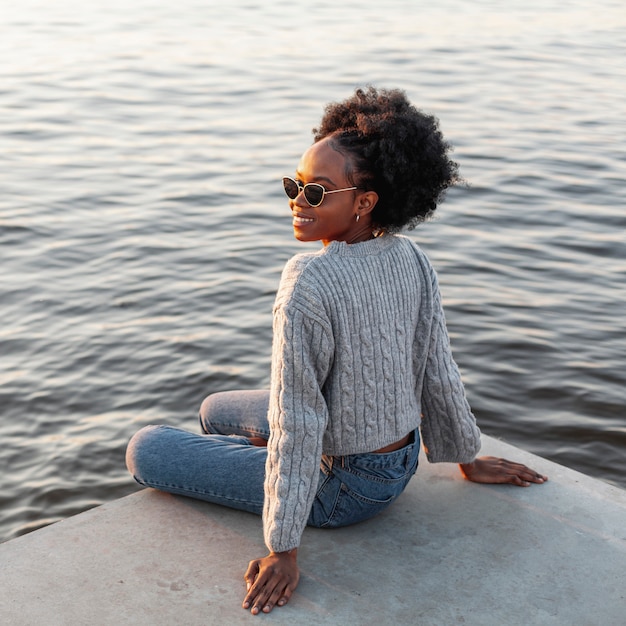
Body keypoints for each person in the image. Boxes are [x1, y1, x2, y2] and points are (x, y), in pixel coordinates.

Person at [125, 86, 547, 616]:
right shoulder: (409, 256)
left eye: (317, 193)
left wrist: (283, 548)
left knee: (146, 448)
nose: (298, 202)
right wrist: (465, 457)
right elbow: (437, 368)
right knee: (214, 409)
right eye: (294, 186)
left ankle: (287, 481)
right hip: (399, 460)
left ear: (365, 202)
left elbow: (299, 417)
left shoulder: (309, 280)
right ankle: (275, 468)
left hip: (344, 487)